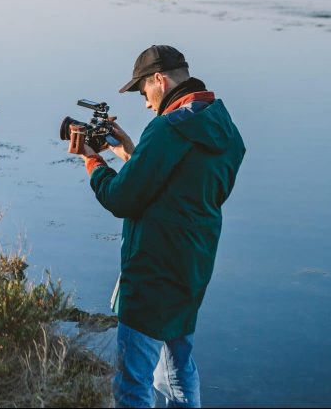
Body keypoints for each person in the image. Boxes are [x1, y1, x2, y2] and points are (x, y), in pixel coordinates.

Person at [67, 45, 245, 408]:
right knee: (177, 369)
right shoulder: (222, 125)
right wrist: (134, 153)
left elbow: (120, 199)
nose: (146, 103)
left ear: (159, 81)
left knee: (133, 383)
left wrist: (93, 161)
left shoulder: (166, 130)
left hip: (151, 275)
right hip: (192, 269)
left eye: (144, 92)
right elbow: (187, 189)